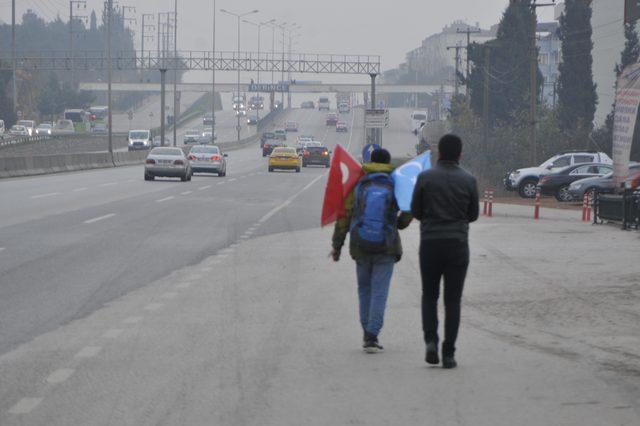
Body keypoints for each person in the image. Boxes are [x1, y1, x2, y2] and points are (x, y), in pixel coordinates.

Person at [331, 148, 413, 353]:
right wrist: (398, 223)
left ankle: (366, 331)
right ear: (388, 162)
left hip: (361, 246)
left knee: (364, 290)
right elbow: (407, 213)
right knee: (380, 291)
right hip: (386, 246)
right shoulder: (395, 183)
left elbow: (344, 217)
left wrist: (337, 246)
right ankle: (372, 334)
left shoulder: (359, 184)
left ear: (369, 161)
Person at [410, 134, 479, 369]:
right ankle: (448, 353)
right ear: (460, 154)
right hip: (458, 245)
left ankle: (431, 341)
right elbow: (473, 215)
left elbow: (416, 211)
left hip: (430, 243)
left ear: (439, 152)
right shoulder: (469, 180)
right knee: (453, 300)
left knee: (429, 295)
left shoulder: (425, 177)